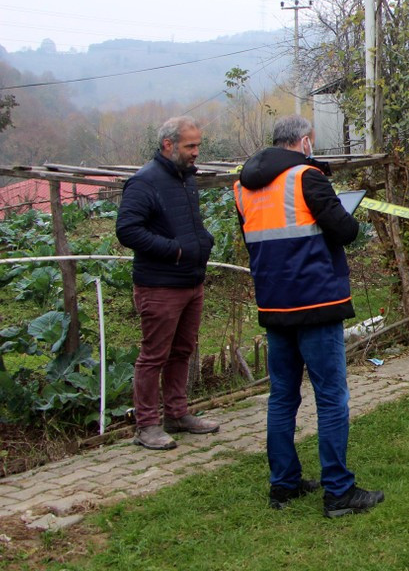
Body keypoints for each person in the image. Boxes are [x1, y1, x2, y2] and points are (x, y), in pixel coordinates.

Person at [234, 115, 384, 517]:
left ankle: (283, 484)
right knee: (331, 396)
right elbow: (345, 231)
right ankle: (338, 490)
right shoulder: (306, 178)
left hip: (274, 304)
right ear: (303, 142)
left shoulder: (242, 188)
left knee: (282, 397)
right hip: (316, 302)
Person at [116, 116, 219, 451]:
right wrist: (173, 250)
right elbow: (128, 230)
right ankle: (146, 426)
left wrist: (203, 241)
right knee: (154, 355)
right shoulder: (145, 182)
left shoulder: (185, 179)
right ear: (168, 145)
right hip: (159, 285)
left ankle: (177, 413)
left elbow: (187, 224)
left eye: (198, 145)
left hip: (191, 281)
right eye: (190, 146)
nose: (196, 152)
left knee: (183, 350)